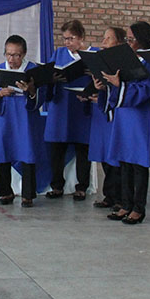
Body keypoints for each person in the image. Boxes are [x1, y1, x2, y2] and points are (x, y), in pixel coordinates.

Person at [101, 21, 150, 225]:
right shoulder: (127, 60)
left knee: (138, 164)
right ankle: (125, 204)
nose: (128, 43)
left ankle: (138, 208)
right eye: (127, 39)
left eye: (131, 39)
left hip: (142, 117)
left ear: (142, 40)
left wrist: (121, 85)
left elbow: (148, 88)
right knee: (125, 161)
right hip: (125, 115)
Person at [0, 35, 45, 208]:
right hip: (6, 117)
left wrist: (31, 90)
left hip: (26, 118)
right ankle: (6, 192)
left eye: (16, 55)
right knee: (4, 152)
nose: (11, 59)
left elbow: (42, 94)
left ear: (24, 54)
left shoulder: (33, 70)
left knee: (27, 153)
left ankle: (28, 194)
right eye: (8, 54)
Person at [44, 19, 92, 201]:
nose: (67, 42)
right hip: (61, 105)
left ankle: (82, 187)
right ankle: (57, 186)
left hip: (82, 106)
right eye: (64, 38)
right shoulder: (58, 54)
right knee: (57, 148)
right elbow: (48, 75)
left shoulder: (93, 54)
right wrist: (52, 78)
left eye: (71, 38)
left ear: (81, 37)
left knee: (83, 147)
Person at [87, 27, 127, 210]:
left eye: (108, 38)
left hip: (119, 115)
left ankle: (121, 198)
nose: (103, 42)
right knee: (105, 155)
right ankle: (109, 195)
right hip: (104, 113)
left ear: (119, 43)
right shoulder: (102, 61)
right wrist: (99, 89)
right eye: (103, 38)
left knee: (117, 157)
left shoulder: (123, 63)